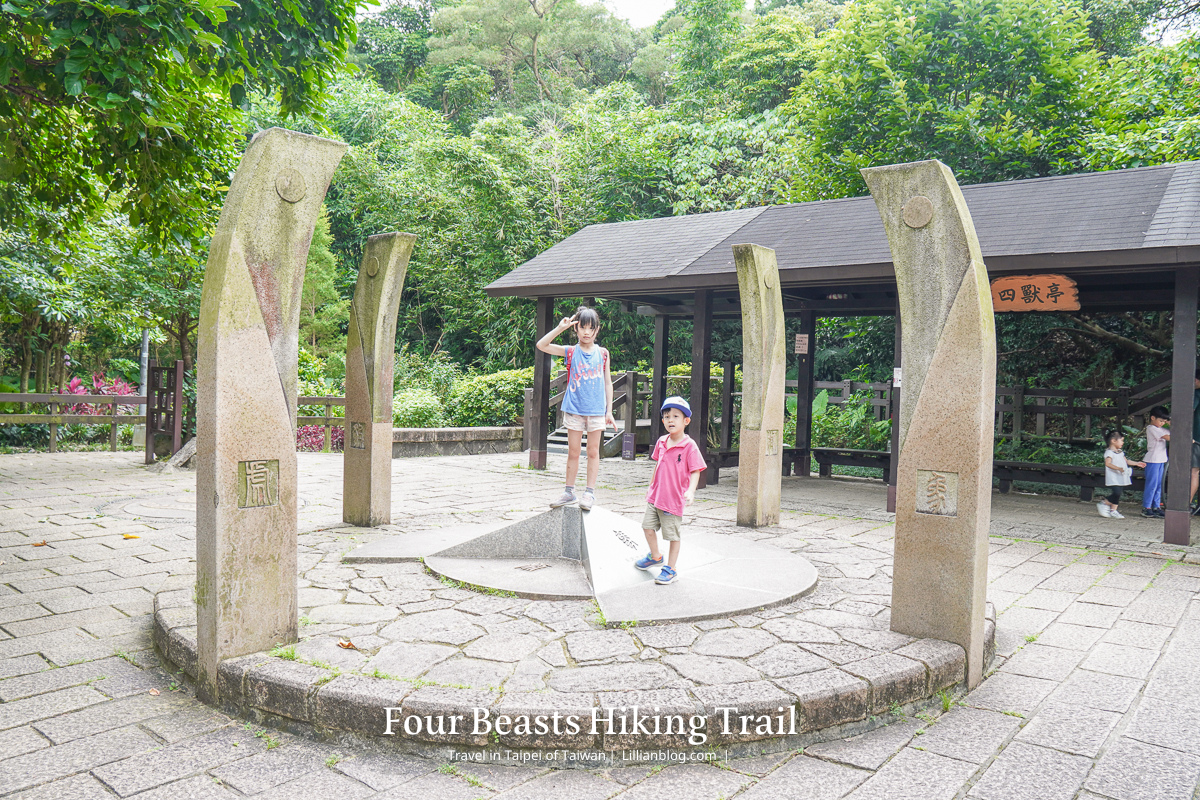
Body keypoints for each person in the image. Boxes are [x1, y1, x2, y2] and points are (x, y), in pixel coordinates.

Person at [535, 307, 614, 511]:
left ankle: (589, 493)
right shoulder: (570, 351)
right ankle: (569, 492)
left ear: (597, 330)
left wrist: (609, 411)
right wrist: (560, 328)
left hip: (596, 411)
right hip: (574, 409)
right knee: (573, 451)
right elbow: (541, 345)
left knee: (593, 451)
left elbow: (607, 383)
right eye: (582, 327)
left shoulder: (603, 354)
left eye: (591, 328)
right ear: (576, 329)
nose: (586, 332)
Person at [633, 396, 707, 585]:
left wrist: (691, 491)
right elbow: (658, 465)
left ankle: (671, 569)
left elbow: (696, 470)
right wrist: (651, 487)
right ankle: (656, 556)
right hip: (656, 496)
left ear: (686, 421)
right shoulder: (662, 442)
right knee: (647, 527)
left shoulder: (689, 446)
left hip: (673, 500)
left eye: (675, 416)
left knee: (672, 536)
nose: (670, 420)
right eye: (666, 417)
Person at [1100, 429, 1144, 519]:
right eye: (1122, 440)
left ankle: (1113, 510)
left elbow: (1126, 461)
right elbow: (1107, 463)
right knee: (1116, 492)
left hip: (1121, 476)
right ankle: (1104, 503)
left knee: (1118, 493)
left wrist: (1137, 463)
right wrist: (1118, 468)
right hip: (1113, 477)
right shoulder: (1109, 452)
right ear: (1113, 441)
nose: (1123, 442)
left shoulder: (1120, 452)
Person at [1142, 406, 1170, 518]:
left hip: (1161, 460)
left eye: (1164, 421)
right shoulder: (1151, 428)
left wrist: (1170, 422)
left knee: (1159, 485)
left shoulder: (1161, 428)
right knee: (1152, 484)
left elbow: (1170, 432)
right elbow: (1168, 437)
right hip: (1152, 460)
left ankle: (1156, 506)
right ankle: (1146, 507)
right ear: (1153, 418)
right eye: (1160, 421)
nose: (1162, 423)